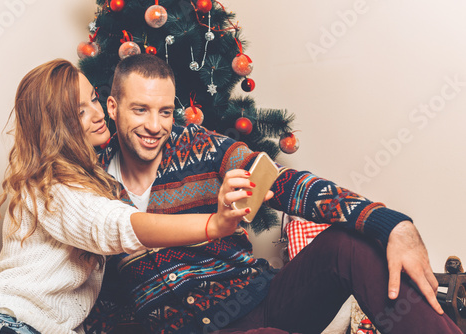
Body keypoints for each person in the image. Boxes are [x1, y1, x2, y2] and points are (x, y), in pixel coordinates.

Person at [83, 53, 463, 334]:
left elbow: (283, 183)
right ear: (113, 108)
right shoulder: (88, 181)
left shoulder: (201, 146)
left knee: (350, 243)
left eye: (165, 112)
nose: (154, 126)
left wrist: (391, 224)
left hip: (260, 298)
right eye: (140, 110)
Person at [0, 59, 258, 334]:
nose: (97, 114)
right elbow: (115, 225)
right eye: (79, 112)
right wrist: (215, 225)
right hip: (7, 323)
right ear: (56, 127)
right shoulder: (49, 183)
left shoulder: (91, 175)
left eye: (93, 99)